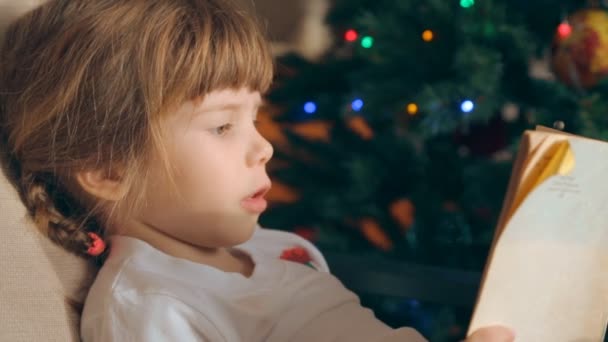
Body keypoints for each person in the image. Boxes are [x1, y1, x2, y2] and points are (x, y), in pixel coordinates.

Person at [0, 0, 514, 341]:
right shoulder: (154, 312)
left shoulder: (261, 248)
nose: (264, 148)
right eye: (223, 127)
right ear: (107, 167)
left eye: (255, 117)